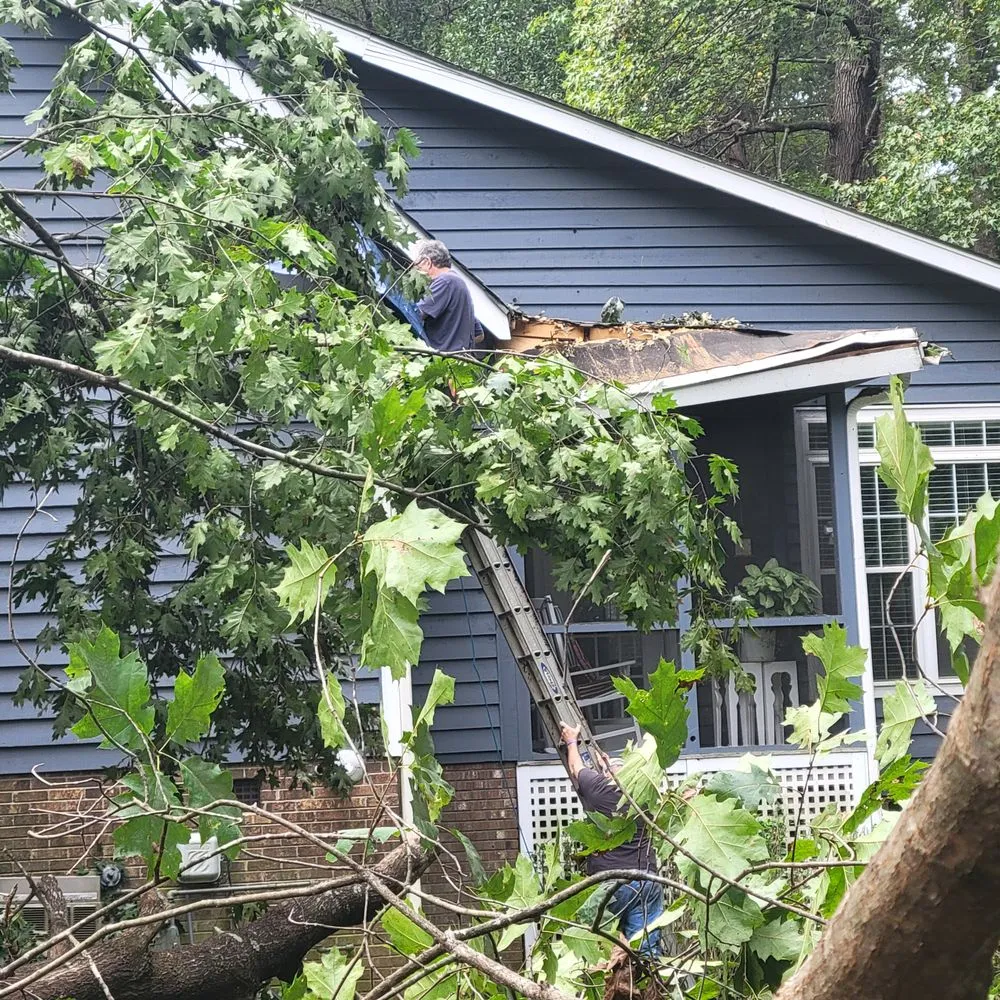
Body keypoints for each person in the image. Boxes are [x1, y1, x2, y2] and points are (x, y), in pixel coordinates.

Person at [560, 722, 663, 958]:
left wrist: (571, 741)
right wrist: (608, 765)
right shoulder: (646, 798)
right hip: (646, 882)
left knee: (598, 947)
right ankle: (649, 988)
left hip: (610, 885)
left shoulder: (600, 790)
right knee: (645, 951)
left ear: (607, 776)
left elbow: (576, 767)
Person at [412, 239, 481, 355]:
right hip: (459, 361)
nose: (415, 271)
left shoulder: (445, 282)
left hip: (444, 361)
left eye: (417, 267)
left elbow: (415, 314)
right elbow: (479, 334)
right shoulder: (457, 282)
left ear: (427, 262)